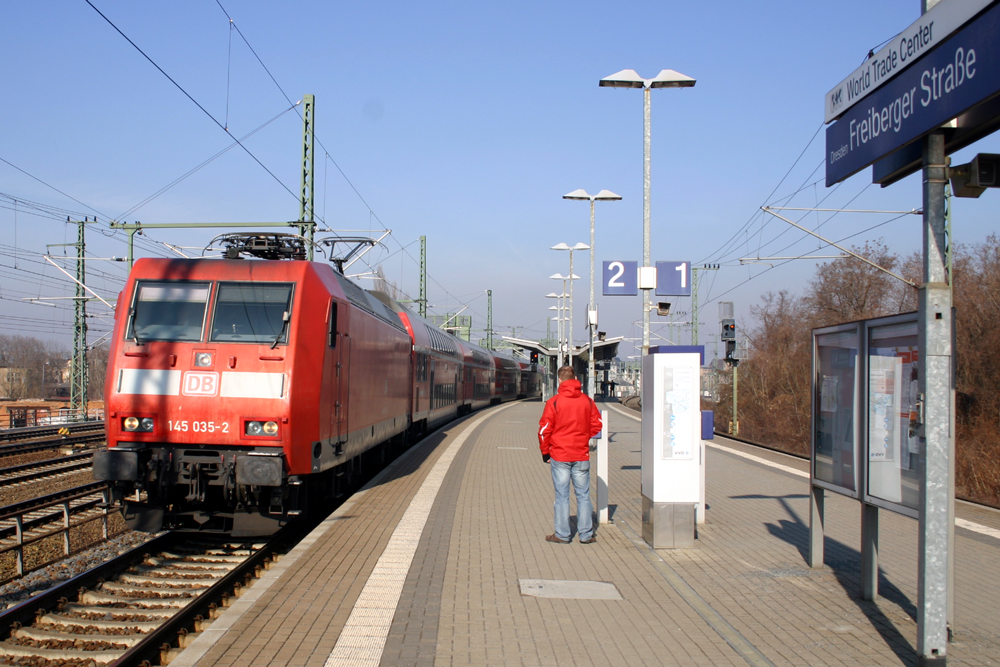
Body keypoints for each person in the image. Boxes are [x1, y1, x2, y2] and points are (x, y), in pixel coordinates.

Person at [537, 365, 603, 544]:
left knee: (562, 496)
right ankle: (586, 535)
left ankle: (563, 535)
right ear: (575, 379)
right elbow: (597, 424)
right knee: (583, 495)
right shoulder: (587, 401)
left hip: (560, 455)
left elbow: (544, 430)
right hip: (581, 455)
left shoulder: (554, 402)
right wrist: (583, 437)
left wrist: (545, 452)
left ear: (559, 380)